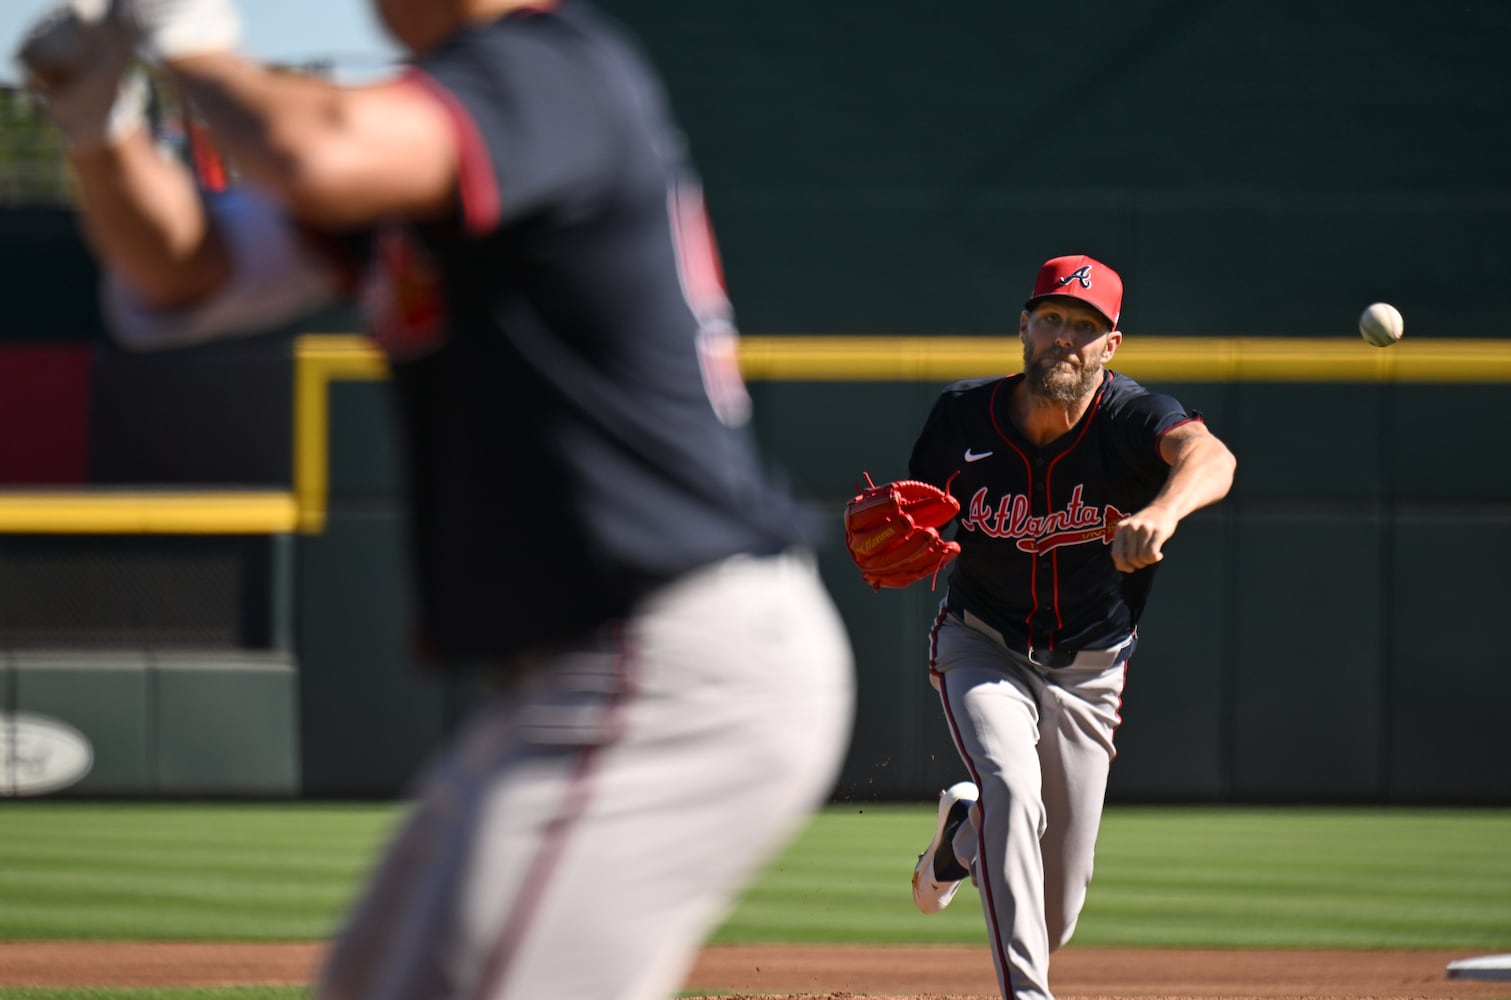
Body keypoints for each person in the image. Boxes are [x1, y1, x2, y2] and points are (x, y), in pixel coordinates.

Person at [14, 2, 855, 998]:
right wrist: (100, 126)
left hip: (676, 662)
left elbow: (317, 151)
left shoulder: (551, 67)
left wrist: (193, 43)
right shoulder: (419, 139)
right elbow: (183, 269)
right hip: (576, 675)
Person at [847, 254, 1235, 1000]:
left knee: (1053, 913)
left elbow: (1208, 455)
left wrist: (1162, 510)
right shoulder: (960, 418)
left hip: (1090, 669)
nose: (1065, 336)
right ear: (1023, 326)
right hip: (981, 643)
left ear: (1109, 347)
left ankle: (960, 836)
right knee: (1012, 789)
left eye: (1085, 327)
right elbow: (918, 512)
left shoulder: (1130, 418)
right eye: (1052, 318)